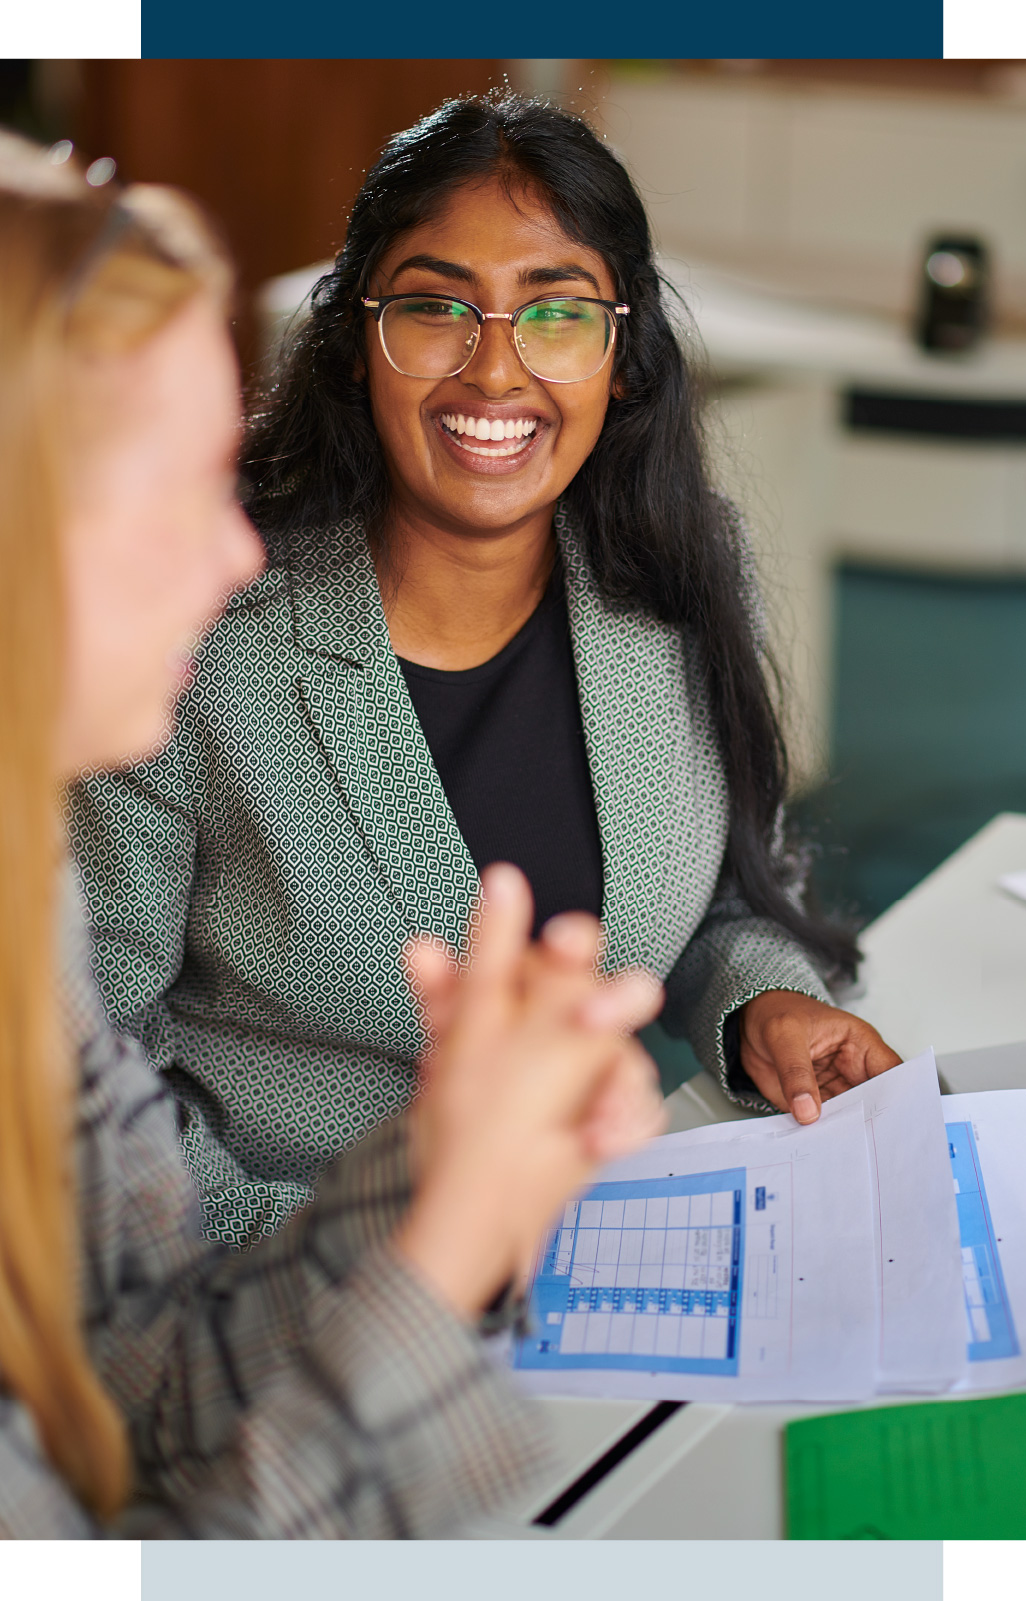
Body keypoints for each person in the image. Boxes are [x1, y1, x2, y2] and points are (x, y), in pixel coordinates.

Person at [69, 92, 901, 1252]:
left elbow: (716, 889)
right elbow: (71, 1072)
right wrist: (373, 1261)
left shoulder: (671, 585)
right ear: (360, 343)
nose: (494, 369)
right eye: (434, 307)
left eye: (554, 313)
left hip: (592, 1245)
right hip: (276, 1294)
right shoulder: (192, 647)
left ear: (622, 354)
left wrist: (759, 997)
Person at [0, 130, 665, 1537]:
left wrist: (448, 1160)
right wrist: (447, 1250)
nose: (234, 551)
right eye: (173, 489)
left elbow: (152, 1370)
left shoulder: (24, 900)